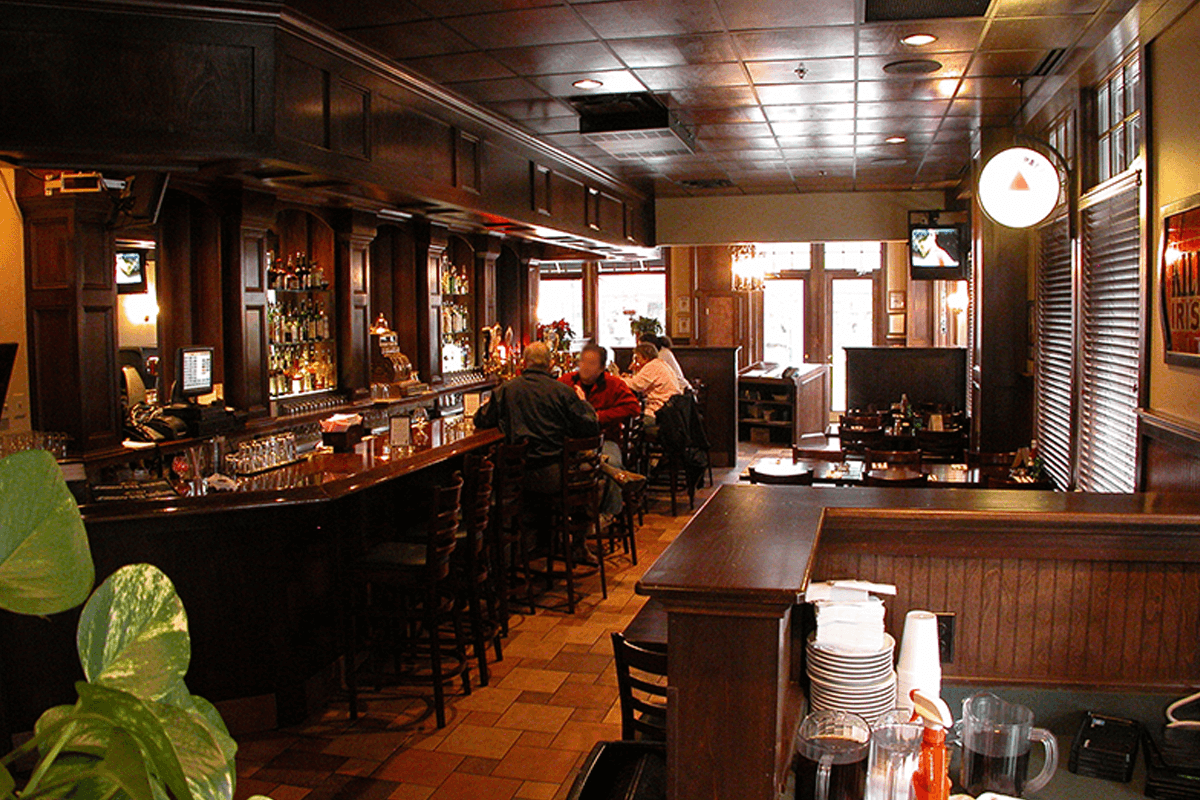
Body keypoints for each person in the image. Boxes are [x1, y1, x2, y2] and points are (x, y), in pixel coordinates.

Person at [474, 342, 600, 561]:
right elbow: (590, 427)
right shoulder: (562, 392)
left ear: (524, 363)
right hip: (555, 475)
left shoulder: (506, 390)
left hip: (516, 478)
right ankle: (577, 545)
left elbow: (481, 419)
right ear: (550, 364)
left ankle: (530, 547)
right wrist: (583, 402)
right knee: (590, 481)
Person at [560, 343, 642, 518]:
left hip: (605, 439)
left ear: (602, 367)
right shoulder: (566, 382)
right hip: (572, 442)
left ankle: (608, 514)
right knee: (574, 468)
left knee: (613, 463)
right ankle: (578, 515)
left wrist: (599, 416)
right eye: (582, 362)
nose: (585, 367)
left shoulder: (614, 384)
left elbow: (633, 408)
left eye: (591, 363)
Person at [626, 341, 682, 425]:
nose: (637, 361)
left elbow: (636, 385)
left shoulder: (652, 366)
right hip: (670, 410)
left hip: (659, 412)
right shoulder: (660, 363)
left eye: (637, 358)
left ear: (645, 357)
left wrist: (617, 379)